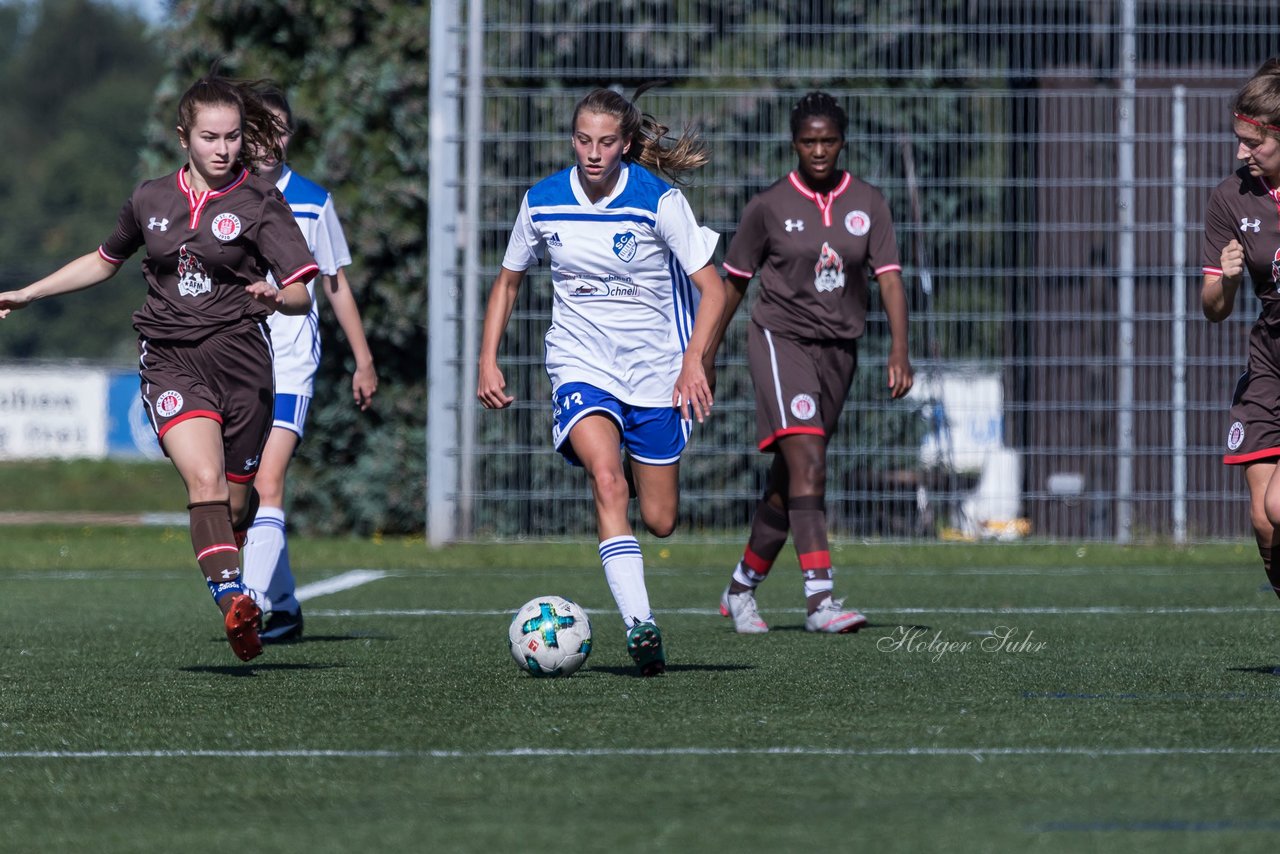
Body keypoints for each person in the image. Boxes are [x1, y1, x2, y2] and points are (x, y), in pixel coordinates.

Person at [0, 73, 319, 662]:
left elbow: (303, 291)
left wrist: (277, 296)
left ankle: (236, 574)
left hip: (244, 362)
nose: (223, 148)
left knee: (237, 503)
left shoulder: (261, 203)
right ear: (184, 138)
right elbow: (104, 260)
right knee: (205, 482)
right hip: (171, 357)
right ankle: (234, 602)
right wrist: (28, 294)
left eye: (232, 136)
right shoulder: (150, 199)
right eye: (209, 137)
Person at [477, 86, 725, 676]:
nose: (594, 152)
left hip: (656, 373)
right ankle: (642, 628)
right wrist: (487, 359)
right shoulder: (541, 201)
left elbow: (712, 288)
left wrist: (694, 361)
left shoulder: (658, 200)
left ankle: (630, 493)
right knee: (608, 482)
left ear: (626, 144)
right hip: (580, 363)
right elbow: (508, 281)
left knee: (661, 518)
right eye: (584, 140)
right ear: (573, 139)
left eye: (607, 142)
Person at [711, 91, 912, 634]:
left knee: (790, 478)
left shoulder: (868, 201)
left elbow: (889, 277)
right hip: (781, 340)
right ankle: (820, 599)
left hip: (839, 351)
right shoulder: (769, 205)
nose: (818, 150)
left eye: (827, 141)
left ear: (842, 142)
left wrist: (898, 348)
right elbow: (733, 285)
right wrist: (703, 355)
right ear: (794, 143)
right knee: (810, 464)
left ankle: (740, 590)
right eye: (808, 141)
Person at [239, 86, 378, 643]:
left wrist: (363, 361)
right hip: (236, 361)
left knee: (269, 480)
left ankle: (243, 608)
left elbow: (335, 286)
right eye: (259, 129)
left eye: (280, 128)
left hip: (291, 358)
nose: (271, 140)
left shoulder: (314, 202)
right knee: (241, 493)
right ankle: (285, 607)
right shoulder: (224, 199)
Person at [1202, 58, 1280, 606]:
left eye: (1253, 143)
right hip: (1269, 362)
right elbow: (1212, 308)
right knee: (1263, 518)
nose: (1240, 153)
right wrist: (1226, 281)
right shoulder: (1230, 197)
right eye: (1238, 139)